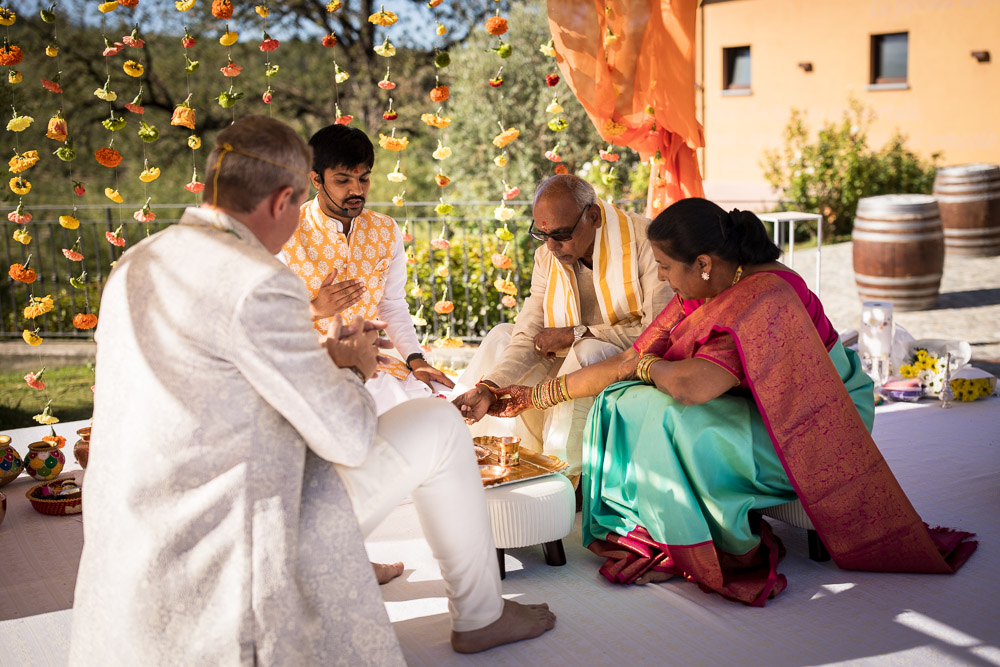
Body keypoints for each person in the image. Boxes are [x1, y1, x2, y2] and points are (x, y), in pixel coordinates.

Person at [70, 116, 555, 665]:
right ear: (286, 200)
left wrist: (394, 359)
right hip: (234, 532)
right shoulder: (256, 281)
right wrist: (348, 365)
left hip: (130, 535)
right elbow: (346, 438)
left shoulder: (137, 261)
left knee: (417, 405)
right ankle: (481, 615)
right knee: (440, 425)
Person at [485, 198, 977, 606]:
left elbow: (692, 386)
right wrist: (532, 396)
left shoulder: (765, 298)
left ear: (703, 263)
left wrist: (646, 370)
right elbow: (627, 362)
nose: (663, 279)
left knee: (671, 416)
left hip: (817, 416)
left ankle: (718, 547)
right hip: (756, 405)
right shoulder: (705, 287)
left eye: (664, 268)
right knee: (628, 399)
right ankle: (661, 529)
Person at [452, 174, 671, 479]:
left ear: (593, 217)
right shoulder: (547, 257)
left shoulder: (644, 240)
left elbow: (660, 331)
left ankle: (565, 477)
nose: (552, 246)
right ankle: (507, 464)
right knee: (501, 335)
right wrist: (489, 387)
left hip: (627, 360)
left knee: (586, 348)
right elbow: (529, 334)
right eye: (542, 235)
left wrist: (575, 334)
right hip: (570, 358)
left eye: (561, 234)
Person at [282, 123, 453, 415]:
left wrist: (415, 359)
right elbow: (260, 318)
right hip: (308, 368)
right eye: (343, 180)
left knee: (442, 406)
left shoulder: (385, 230)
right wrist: (314, 310)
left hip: (374, 363)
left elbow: (392, 305)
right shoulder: (285, 231)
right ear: (316, 179)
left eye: (364, 179)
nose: (357, 190)